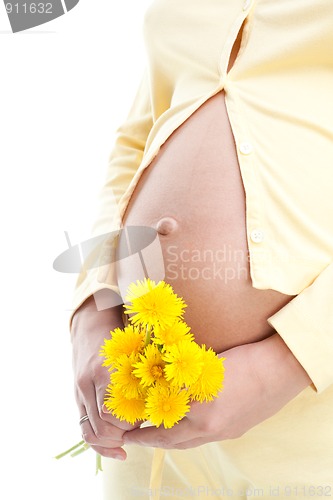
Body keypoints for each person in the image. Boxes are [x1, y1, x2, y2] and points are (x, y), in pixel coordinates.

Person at [70, 0, 333, 498]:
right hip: (142, 412)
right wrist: (94, 302)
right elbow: (137, 140)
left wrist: (287, 362)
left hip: (307, 426)